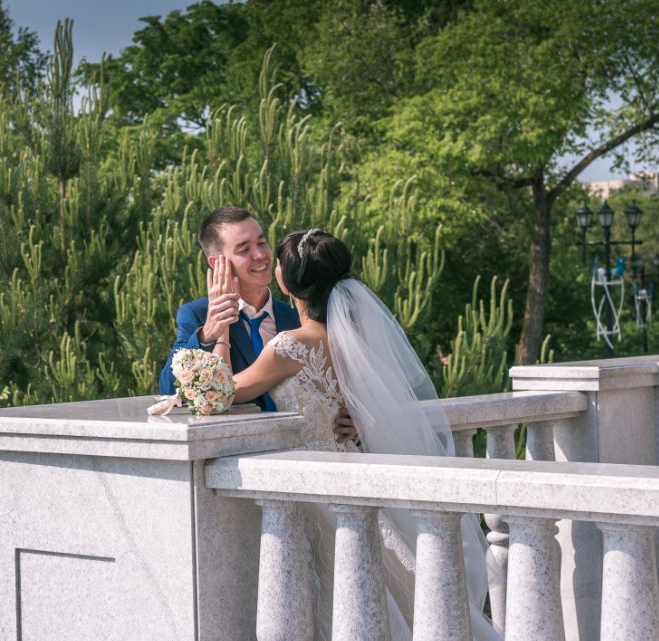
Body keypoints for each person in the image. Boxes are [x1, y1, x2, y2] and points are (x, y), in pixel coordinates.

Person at [208, 228, 501, 641]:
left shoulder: (290, 346)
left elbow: (220, 392)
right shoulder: (353, 340)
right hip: (351, 475)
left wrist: (220, 333)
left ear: (287, 282)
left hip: (315, 491)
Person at [158, 207, 357, 442]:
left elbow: (355, 385)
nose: (260, 255)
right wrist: (208, 334)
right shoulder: (197, 315)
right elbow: (169, 390)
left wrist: (357, 419)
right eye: (244, 249)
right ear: (217, 262)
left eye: (262, 242)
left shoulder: (301, 319)